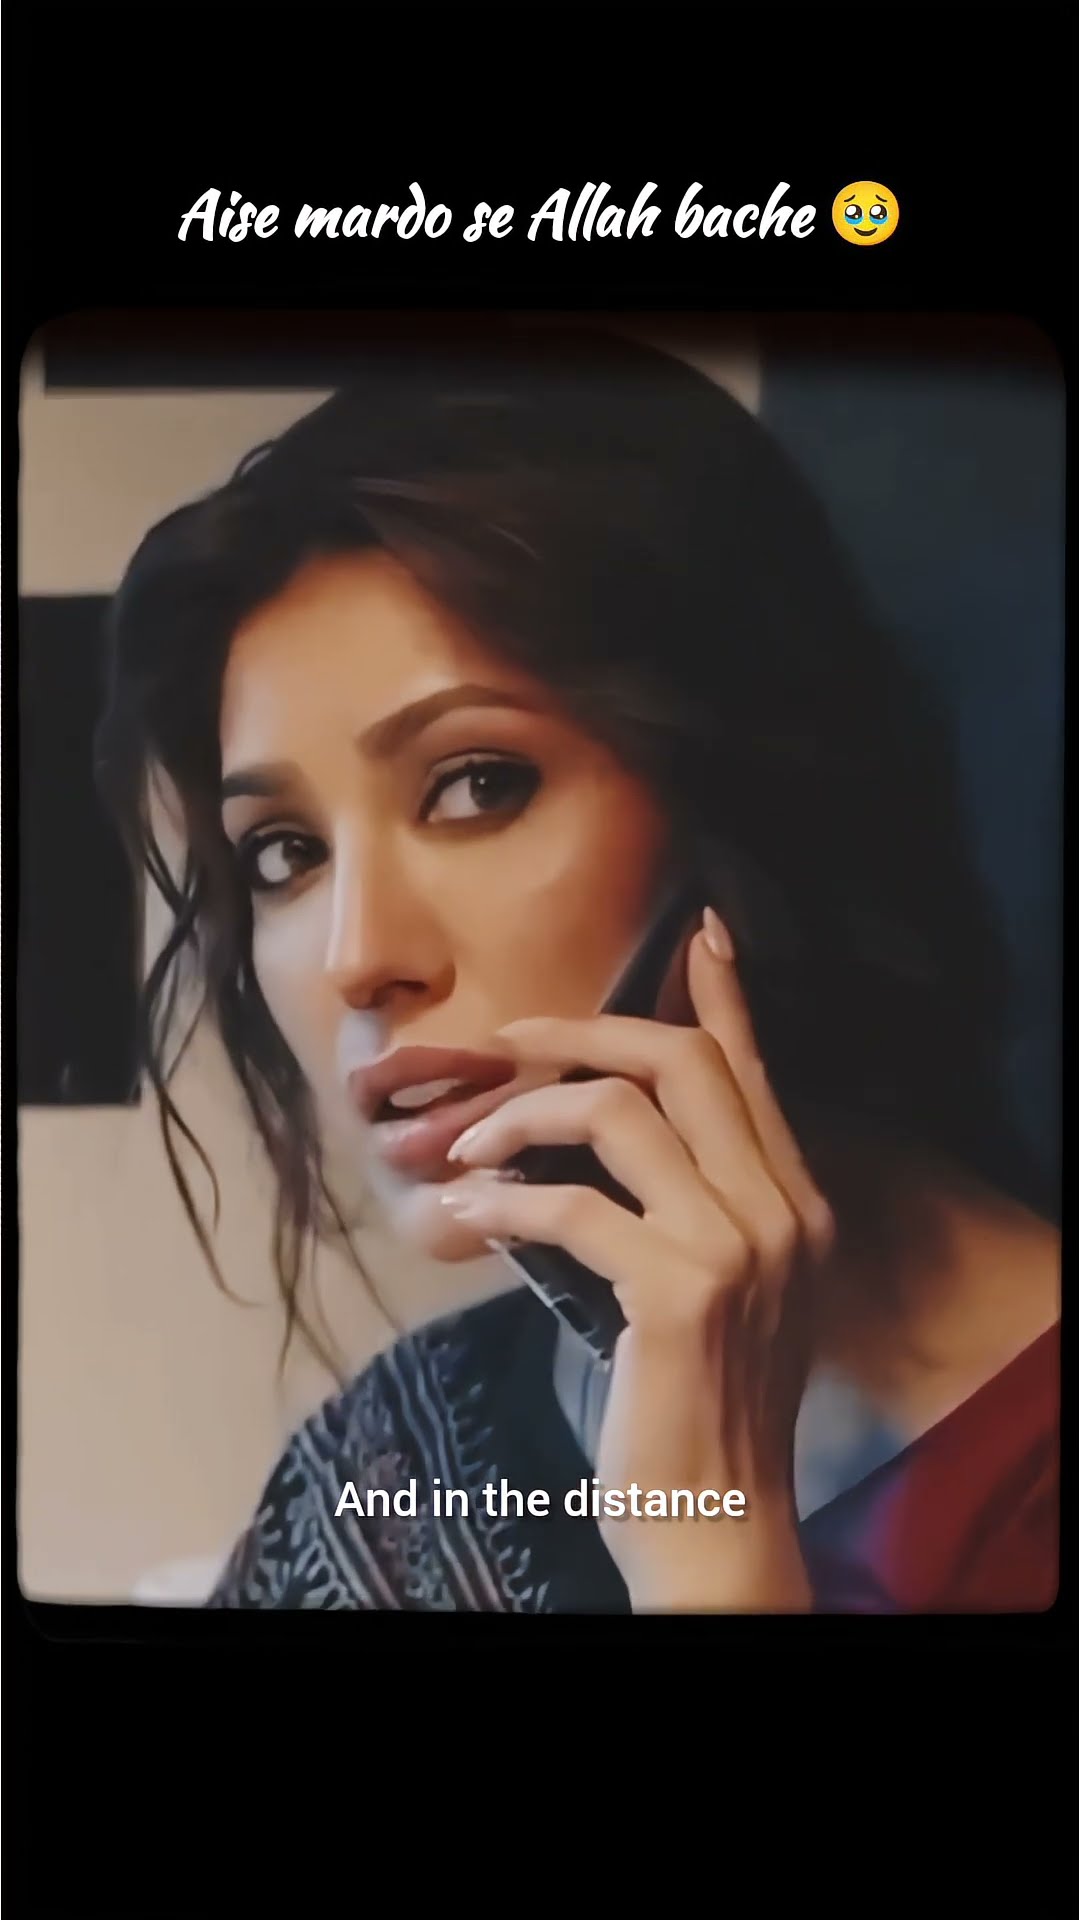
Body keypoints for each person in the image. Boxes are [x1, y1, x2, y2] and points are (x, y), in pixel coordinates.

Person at [96, 322, 1060, 1613]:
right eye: (283, 853)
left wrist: (711, 1551)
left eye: (477, 783)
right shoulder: (389, 1472)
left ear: (745, 800)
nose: (357, 959)